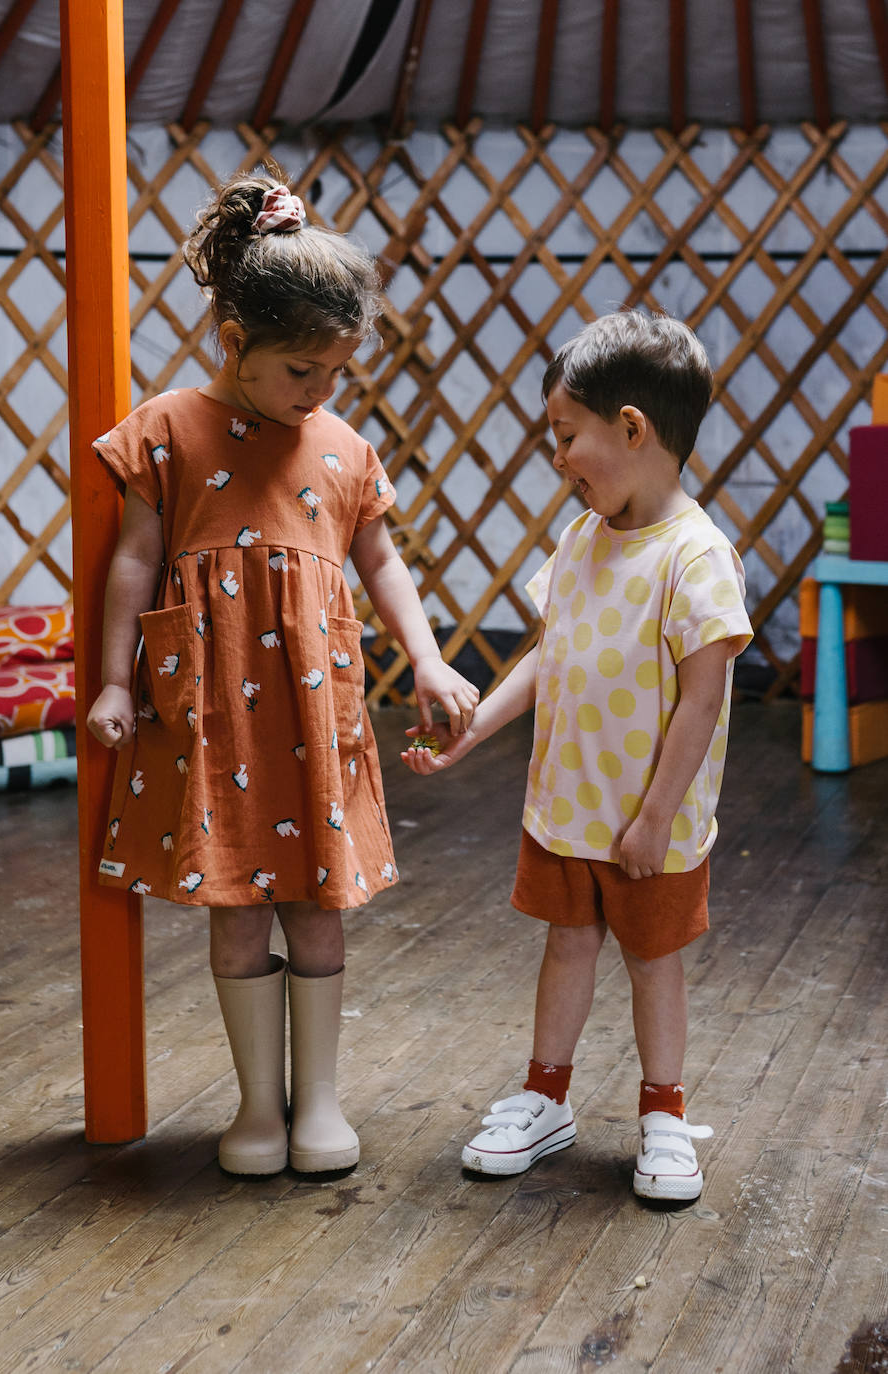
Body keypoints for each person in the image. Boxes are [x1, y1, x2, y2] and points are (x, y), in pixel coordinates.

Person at [87, 172, 478, 1178]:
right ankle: (259, 1108)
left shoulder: (342, 446)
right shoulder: (169, 430)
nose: (320, 393)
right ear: (234, 341)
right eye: (303, 370)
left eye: (336, 373)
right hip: (213, 712)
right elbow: (132, 559)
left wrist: (429, 657)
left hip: (313, 711)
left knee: (316, 902)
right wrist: (116, 680)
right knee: (237, 902)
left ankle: (322, 1107)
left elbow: (381, 560)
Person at [402, 311, 752, 1202]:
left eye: (566, 436)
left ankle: (665, 1116)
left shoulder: (697, 557)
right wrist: (472, 731)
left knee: (651, 961)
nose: (557, 458)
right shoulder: (579, 541)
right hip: (565, 808)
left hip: (648, 827)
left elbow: (704, 704)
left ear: (631, 428)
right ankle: (545, 1097)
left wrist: (656, 819)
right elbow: (547, 655)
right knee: (567, 945)